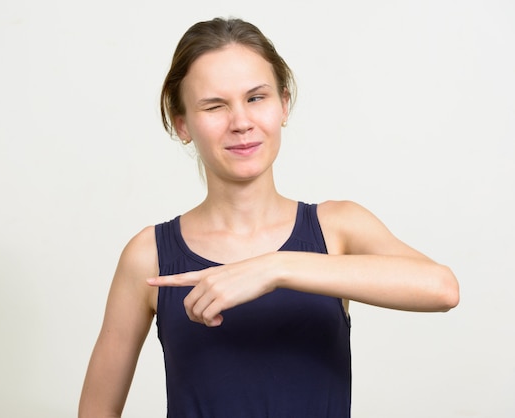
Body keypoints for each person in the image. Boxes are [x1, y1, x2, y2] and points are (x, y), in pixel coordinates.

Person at [78, 17, 459, 418]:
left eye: (256, 98)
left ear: (284, 105)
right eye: (215, 105)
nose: (241, 122)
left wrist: (275, 268)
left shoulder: (337, 229)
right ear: (182, 123)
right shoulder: (149, 256)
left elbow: (442, 288)